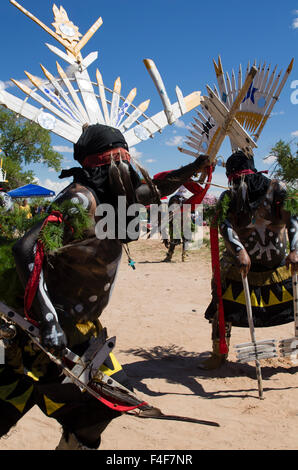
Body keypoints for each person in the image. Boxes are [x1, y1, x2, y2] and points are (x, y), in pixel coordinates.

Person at [0, 123, 211, 450]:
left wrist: (194, 167)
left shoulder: (117, 200)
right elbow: (25, 249)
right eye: (116, 160)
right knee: (9, 401)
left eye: (125, 160)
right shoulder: (79, 200)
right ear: (98, 165)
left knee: (102, 405)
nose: (124, 168)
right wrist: (49, 321)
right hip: (34, 332)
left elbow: (158, 187)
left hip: (81, 333)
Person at [199, 151, 298, 370]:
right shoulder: (228, 198)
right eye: (234, 180)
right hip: (242, 266)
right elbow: (224, 225)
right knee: (220, 298)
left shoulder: (278, 190)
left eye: (239, 178)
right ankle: (219, 352)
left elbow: (293, 218)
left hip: (279, 265)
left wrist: (295, 249)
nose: (237, 183)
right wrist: (239, 251)